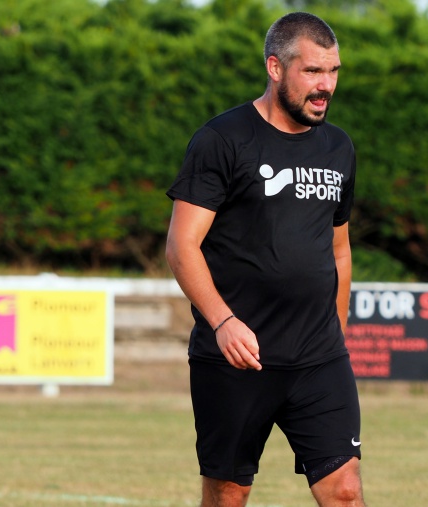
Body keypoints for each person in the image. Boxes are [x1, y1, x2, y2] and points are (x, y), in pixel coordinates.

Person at [165, 12, 365, 507]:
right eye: (313, 72)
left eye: (334, 71)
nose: (326, 86)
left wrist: (335, 336)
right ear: (275, 68)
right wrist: (223, 322)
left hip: (318, 357)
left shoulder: (339, 147)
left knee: (344, 492)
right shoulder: (223, 139)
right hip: (237, 359)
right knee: (229, 494)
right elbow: (181, 246)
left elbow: (339, 251)